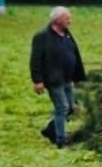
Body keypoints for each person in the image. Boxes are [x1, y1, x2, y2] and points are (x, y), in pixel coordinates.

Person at [29, 6, 85, 148]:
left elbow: (75, 54)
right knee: (62, 108)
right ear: (57, 20)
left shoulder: (66, 34)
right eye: (67, 18)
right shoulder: (42, 37)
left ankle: (50, 130)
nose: (70, 21)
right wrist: (37, 81)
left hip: (67, 78)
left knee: (71, 108)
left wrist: (78, 76)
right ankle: (61, 139)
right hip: (53, 80)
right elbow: (35, 60)